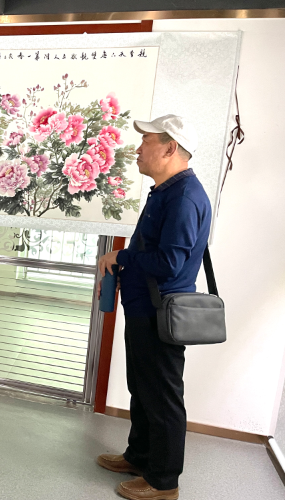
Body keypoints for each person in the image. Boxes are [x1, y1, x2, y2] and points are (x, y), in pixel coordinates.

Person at [96, 115, 211, 500]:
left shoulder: (183, 197)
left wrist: (122, 257)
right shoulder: (166, 191)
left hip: (160, 314)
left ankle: (163, 482)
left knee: (162, 398)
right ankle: (139, 456)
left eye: (146, 142)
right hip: (145, 308)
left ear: (169, 148)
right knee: (143, 388)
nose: (137, 149)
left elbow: (169, 263)